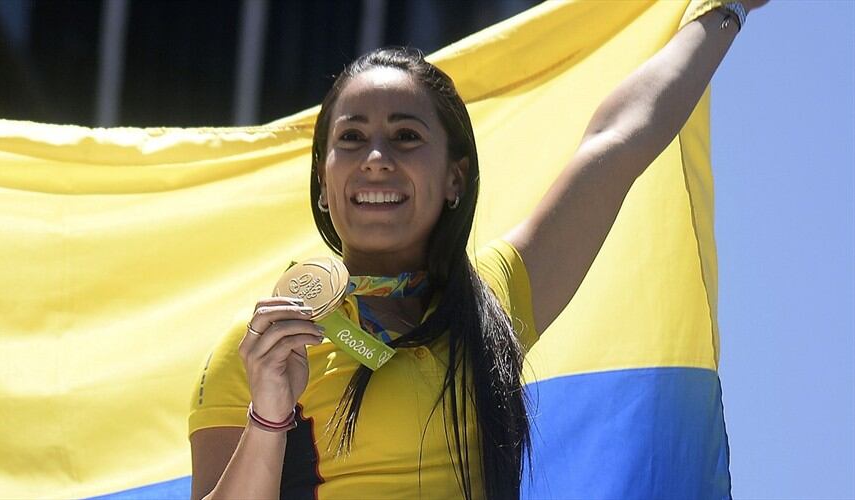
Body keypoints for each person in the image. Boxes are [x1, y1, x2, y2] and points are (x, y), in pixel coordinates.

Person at [189, 1, 768, 498]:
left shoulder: (492, 301)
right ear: (322, 181)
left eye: (406, 136)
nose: (375, 158)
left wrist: (727, 11)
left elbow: (615, 146)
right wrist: (268, 413)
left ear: (454, 179)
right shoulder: (258, 344)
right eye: (351, 138)